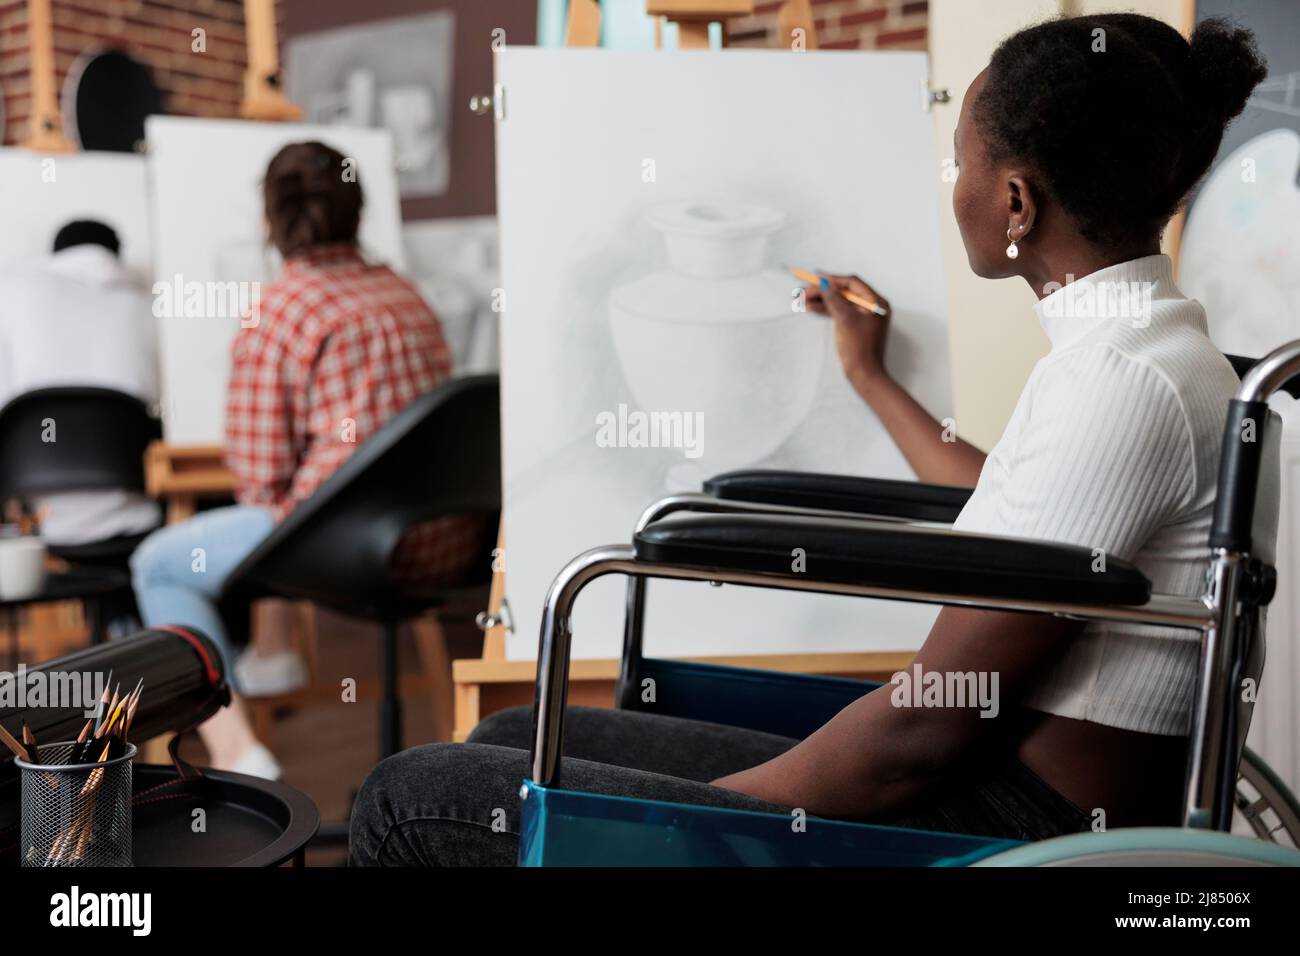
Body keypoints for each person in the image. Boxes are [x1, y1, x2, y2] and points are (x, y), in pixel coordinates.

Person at [349, 13, 1269, 866]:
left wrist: (682, 820)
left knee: (406, 796)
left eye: (962, 163)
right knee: (509, 736)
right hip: (988, 781)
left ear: (1018, 203)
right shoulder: (1146, 352)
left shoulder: (1117, 382)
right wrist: (870, 376)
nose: (956, 185)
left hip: (1008, 826)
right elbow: (1021, 521)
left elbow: (924, 734)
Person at [130, 141, 476, 779]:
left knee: (160, 565)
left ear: (270, 220)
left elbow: (259, 479)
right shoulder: (404, 292)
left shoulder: (284, 306)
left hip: (347, 548)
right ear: (358, 210)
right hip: (445, 543)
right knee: (281, 519)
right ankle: (272, 655)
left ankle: (236, 749)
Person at [0, 220, 161, 547]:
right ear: (116, 258)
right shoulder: (149, 309)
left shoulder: (11, 294)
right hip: (140, 513)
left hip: (29, 523)